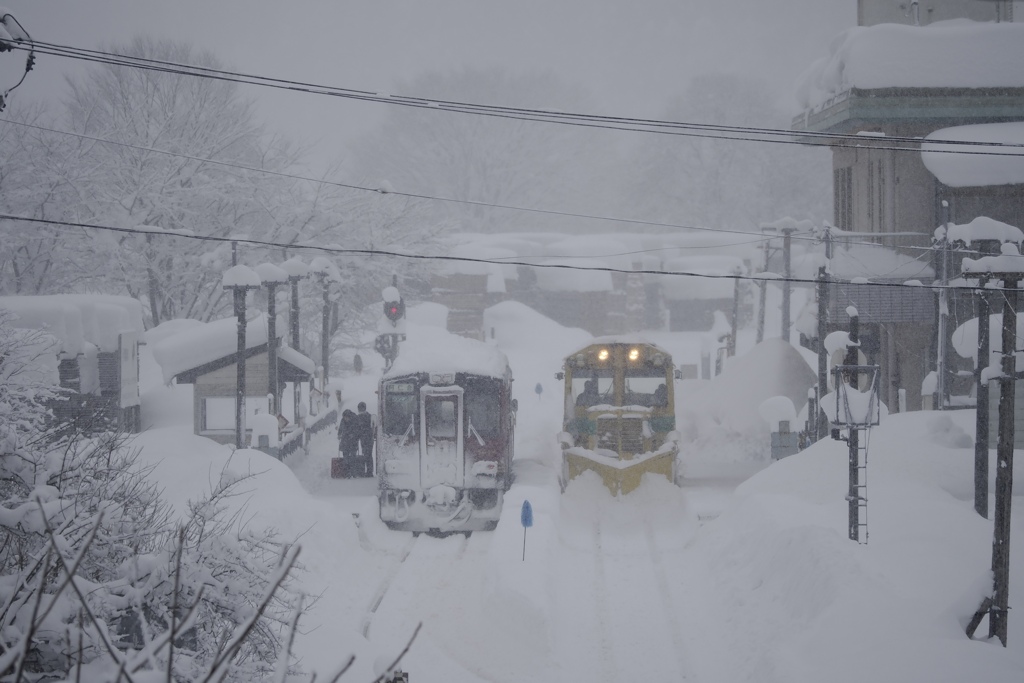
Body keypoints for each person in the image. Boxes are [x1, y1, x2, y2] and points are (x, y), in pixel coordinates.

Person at [355, 401, 375, 477]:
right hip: (369, 438)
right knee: (368, 454)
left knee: (367, 454)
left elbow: (358, 428)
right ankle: (369, 471)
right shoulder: (370, 416)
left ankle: (368, 472)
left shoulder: (359, 417)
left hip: (365, 438)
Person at [338, 409, 359, 477]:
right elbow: (340, 428)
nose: (345, 419)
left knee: (353, 457)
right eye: (344, 417)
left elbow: (358, 430)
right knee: (345, 457)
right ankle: (347, 472)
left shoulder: (355, 420)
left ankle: (353, 472)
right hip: (345, 441)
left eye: (347, 417)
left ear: (349, 417)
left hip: (353, 442)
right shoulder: (343, 420)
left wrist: (353, 434)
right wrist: (339, 434)